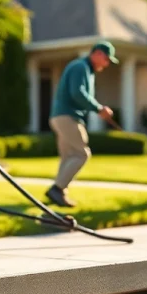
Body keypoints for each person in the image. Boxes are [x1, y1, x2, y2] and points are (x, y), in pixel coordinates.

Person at [44, 41, 117, 208]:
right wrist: (99, 109)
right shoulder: (80, 67)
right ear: (97, 54)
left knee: (69, 156)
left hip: (59, 116)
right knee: (82, 154)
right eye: (106, 59)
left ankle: (59, 193)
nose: (107, 64)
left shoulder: (85, 69)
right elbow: (78, 93)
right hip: (68, 117)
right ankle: (57, 189)